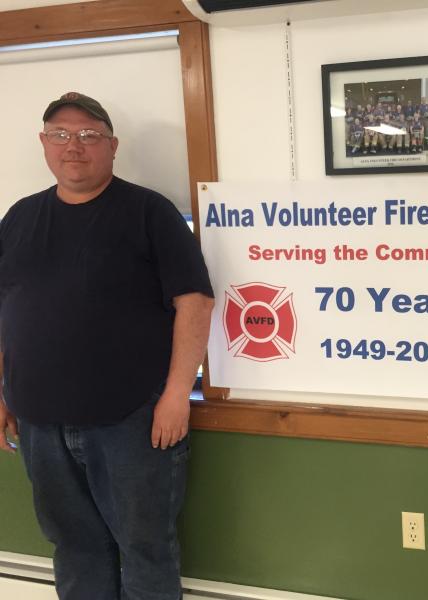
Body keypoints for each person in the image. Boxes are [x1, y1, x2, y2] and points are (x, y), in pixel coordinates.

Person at [0, 92, 215, 599]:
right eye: (60, 134)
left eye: (89, 135)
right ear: (44, 144)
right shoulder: (19, 218)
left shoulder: (149, 211)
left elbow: (196, 303)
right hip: (39, 422)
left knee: (145, 550)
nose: (74, 146)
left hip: (133, 422)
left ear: (112, 146)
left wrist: (177, 394)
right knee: (72, 545)